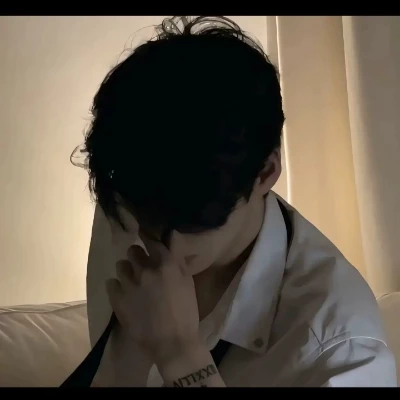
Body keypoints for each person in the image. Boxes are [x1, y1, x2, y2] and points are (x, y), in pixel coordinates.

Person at [78, 16, 397, 387]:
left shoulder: (340, 351)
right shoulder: (129, 196)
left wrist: (181, 356)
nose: (164, 243)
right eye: (144, 218)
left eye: (193, 223)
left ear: (265, 173)